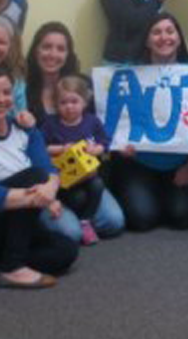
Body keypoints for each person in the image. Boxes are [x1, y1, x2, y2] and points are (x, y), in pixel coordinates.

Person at [26, 22, 125, 242]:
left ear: (68, 53)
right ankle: (67, 220)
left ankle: (81, 218)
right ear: (35, 50)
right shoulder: (24, 90)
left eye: (60, 48)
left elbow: (97, 130)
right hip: (47, 179)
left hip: (84, 176)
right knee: (70, 233)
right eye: (46, 47)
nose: (53, 54)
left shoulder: (81, 86)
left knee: (114, 222)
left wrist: (96, 150)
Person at [110, 13, 188, 231]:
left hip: (181, 164)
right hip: (139, 162)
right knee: (142, 220)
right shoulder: (128, 74)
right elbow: (113, 117)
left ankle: (163, 195)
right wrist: (119, 145)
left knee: (182, 218)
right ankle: (146, 192)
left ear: (179, 38)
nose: (163, 37)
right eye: (156, 32)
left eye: (170, 31)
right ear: (147, 40)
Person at [0, 66, 78, 288]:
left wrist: (48, 193)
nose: (2, 99)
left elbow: (49, 170)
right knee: (32, 175)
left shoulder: (25, 130)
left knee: (66, 250)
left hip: (19, 220)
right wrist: (34, 196)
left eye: (6, 92)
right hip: (10, 209)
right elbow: (37, 176)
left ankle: (8, 258)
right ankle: (12, 267)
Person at [42, 76, 110, 246]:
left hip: (89, 176)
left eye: (74, 101)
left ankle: (85, 221)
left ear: (84, 102)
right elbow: (40, 148)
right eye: (63, 102)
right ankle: (70, 214)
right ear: (56, 105)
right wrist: (60, 149)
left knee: (98, 185)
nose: (69, 106)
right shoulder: (51, 124)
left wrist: (96, 149)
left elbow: (105, 143)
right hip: (63, 179)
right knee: (77, 198)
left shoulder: (92, 121)